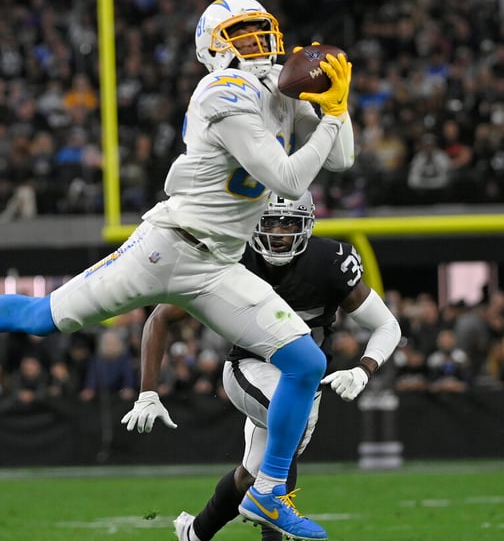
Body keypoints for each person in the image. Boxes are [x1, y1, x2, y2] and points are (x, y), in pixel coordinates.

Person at [0, 0, 353, 540]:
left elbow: (341, 159)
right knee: (42, 317)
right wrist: (332, 114)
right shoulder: (222, 90)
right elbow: (290, 179)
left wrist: (339, 106)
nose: (259, 44)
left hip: (218, 264)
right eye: (242, 34)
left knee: (306, 362)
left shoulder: (281, 94)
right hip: (167, 247)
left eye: (262, 31)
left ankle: (266, 494)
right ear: (214, 48)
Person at [122, 191, 401, 541]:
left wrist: (364, 368)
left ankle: (194, 532)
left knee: (251, 475)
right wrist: (148, 391)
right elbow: (160, 317)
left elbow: (387, 325)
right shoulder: (231, 257)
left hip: (305, 381)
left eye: (288, 222)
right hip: (249, 366)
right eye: (269, 221)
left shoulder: (329, 262)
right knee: (287, 435)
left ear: (307, 225)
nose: (278, 232)